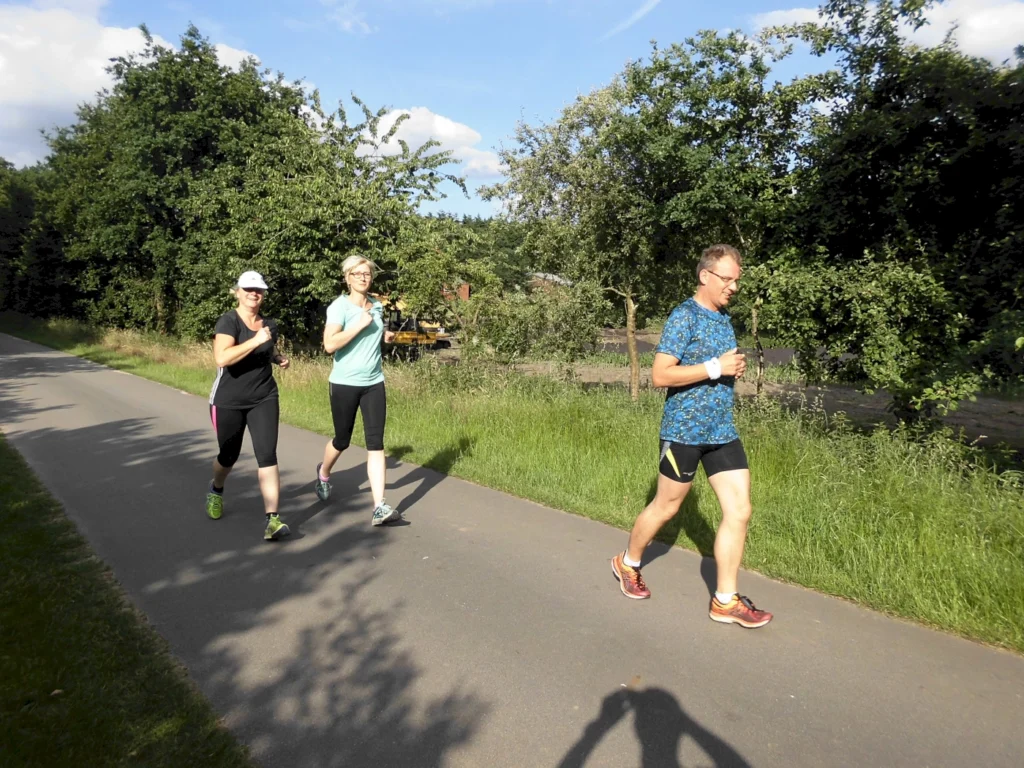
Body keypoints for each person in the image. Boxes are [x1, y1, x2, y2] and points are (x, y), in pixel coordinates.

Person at [610, 244, 773, 628]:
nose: (733, 286)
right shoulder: (684, 316)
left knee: (740, 510)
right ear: (705, 276)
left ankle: (725, 600)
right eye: (727, 279)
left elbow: (713, 369)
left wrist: (731, 369)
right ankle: (627, 562)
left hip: (722, 431)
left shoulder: (724, 318)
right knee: (667, 507)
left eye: (737, 280)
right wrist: (715, 367)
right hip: (683, 431)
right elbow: (661, 375)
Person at [206, 270, 291, 541]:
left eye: (259, 290)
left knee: (267, 454)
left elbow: (267, 348)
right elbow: (221, 358)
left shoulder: (269, 325)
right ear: (237, 291)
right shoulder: (228, 322)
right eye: (248, 289)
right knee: (228, 455)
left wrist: (277, 358)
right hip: (228, 400)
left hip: (264, 396)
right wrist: (255, 340)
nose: (254, 293)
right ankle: (217, 488)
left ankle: (273, 520)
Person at [314, 255, 399, 525]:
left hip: (374, 382)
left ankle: (379, 506)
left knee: (376, 444)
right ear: (347, 277)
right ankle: (324, 472)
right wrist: (358, 326)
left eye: (367, 274)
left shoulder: (376, 305)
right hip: (344, 383)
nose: (364, 278)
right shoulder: (339, 308)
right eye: (358, 274)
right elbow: (329, 345)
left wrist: (383, 337)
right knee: (342, 439)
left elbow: (371, 337)